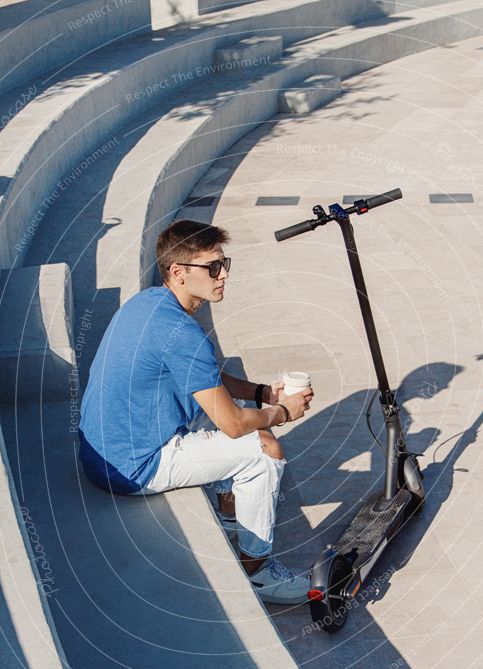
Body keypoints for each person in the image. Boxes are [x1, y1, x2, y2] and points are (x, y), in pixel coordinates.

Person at [78, 219, 314, 604]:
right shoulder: (183, 335)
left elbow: (203, 377)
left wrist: (262, 392)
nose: (223, 276)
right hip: (134, 466)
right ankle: (260, 574)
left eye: (225, 264)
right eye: (213, 268)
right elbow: (234, 426)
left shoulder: (149, 303)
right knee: (264, 450)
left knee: (236, 403)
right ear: (178, 272)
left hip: (103, 451)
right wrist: (283, 412)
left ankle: (228, 510)